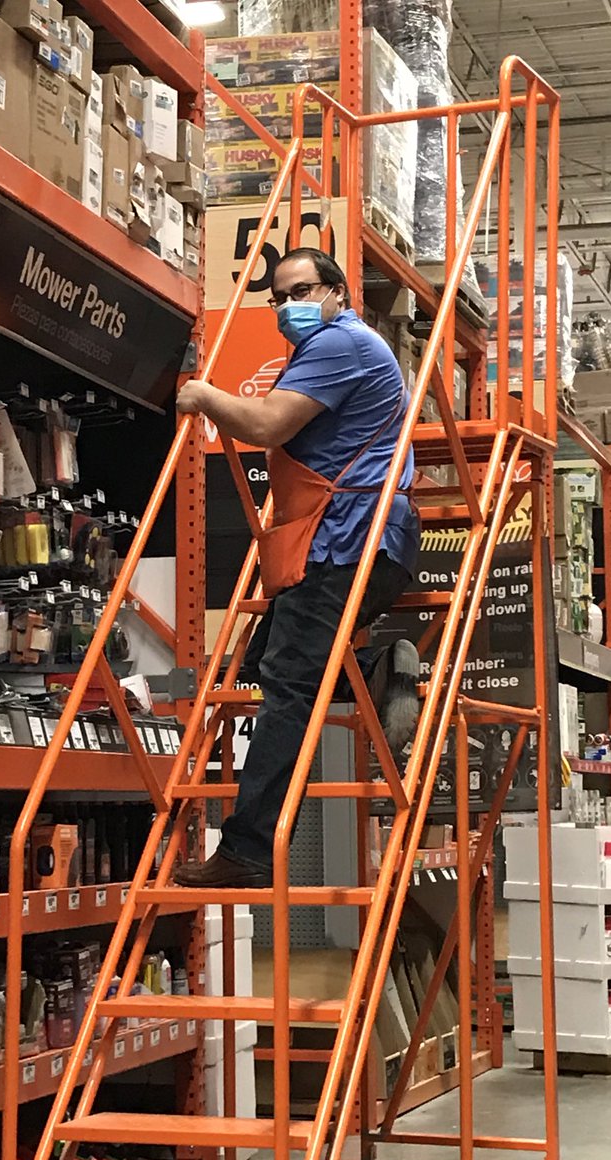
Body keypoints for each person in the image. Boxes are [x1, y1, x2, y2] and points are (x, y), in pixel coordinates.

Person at [173, 248, 421, 888]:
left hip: (349, 544)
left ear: (338, 292)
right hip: (345, 544)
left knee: (288, 685)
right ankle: (380, 670)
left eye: (302, 290)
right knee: (265, 666)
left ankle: (249, 849)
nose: (288, 307)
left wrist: (202, 393)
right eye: (279, 297)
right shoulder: (335, 345)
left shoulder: (341, 343)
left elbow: (266, 423)